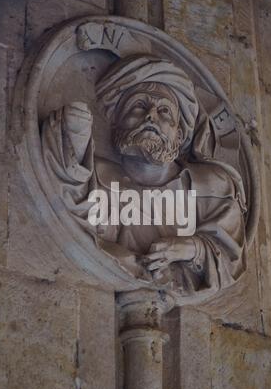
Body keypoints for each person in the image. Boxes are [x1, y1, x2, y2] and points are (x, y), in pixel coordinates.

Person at [41, 55, 247, 301]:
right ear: (116, 123)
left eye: (164, 111)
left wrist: (191, 248)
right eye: (138, 106)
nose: (151, 116)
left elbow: (230, 259)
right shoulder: (96, 176)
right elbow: (74, 203)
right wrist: (73, 141)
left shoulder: (213, 185)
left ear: (179, 135)